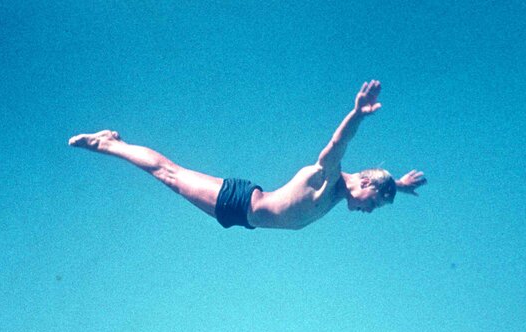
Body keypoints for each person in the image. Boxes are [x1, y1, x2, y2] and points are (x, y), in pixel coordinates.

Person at [68, 80, 426, 230]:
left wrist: (400, 186)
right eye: (372, 204)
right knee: (169, 174)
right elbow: (337, 145)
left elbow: (376, 181)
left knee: (171, 174)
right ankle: (108, 144)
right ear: (363, 182)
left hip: (245, 212)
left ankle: (113, 142)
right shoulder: (327, 178)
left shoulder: (344, 191)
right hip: (240, 204)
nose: (366, 211)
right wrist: (358, 114)